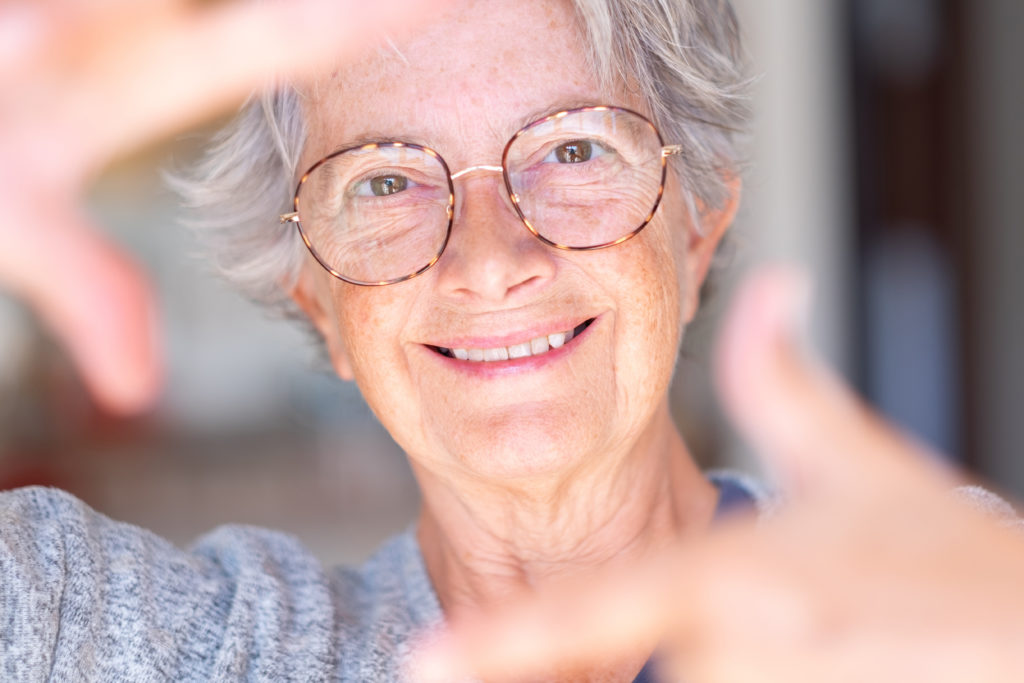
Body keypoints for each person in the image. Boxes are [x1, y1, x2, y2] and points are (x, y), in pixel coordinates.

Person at [1, 1, 1023, 681]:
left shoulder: (920, 618)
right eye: (386, 181)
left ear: (696, 224)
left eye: (574, 148)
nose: (488, 259)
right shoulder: (188, 644)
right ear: (315, 295)